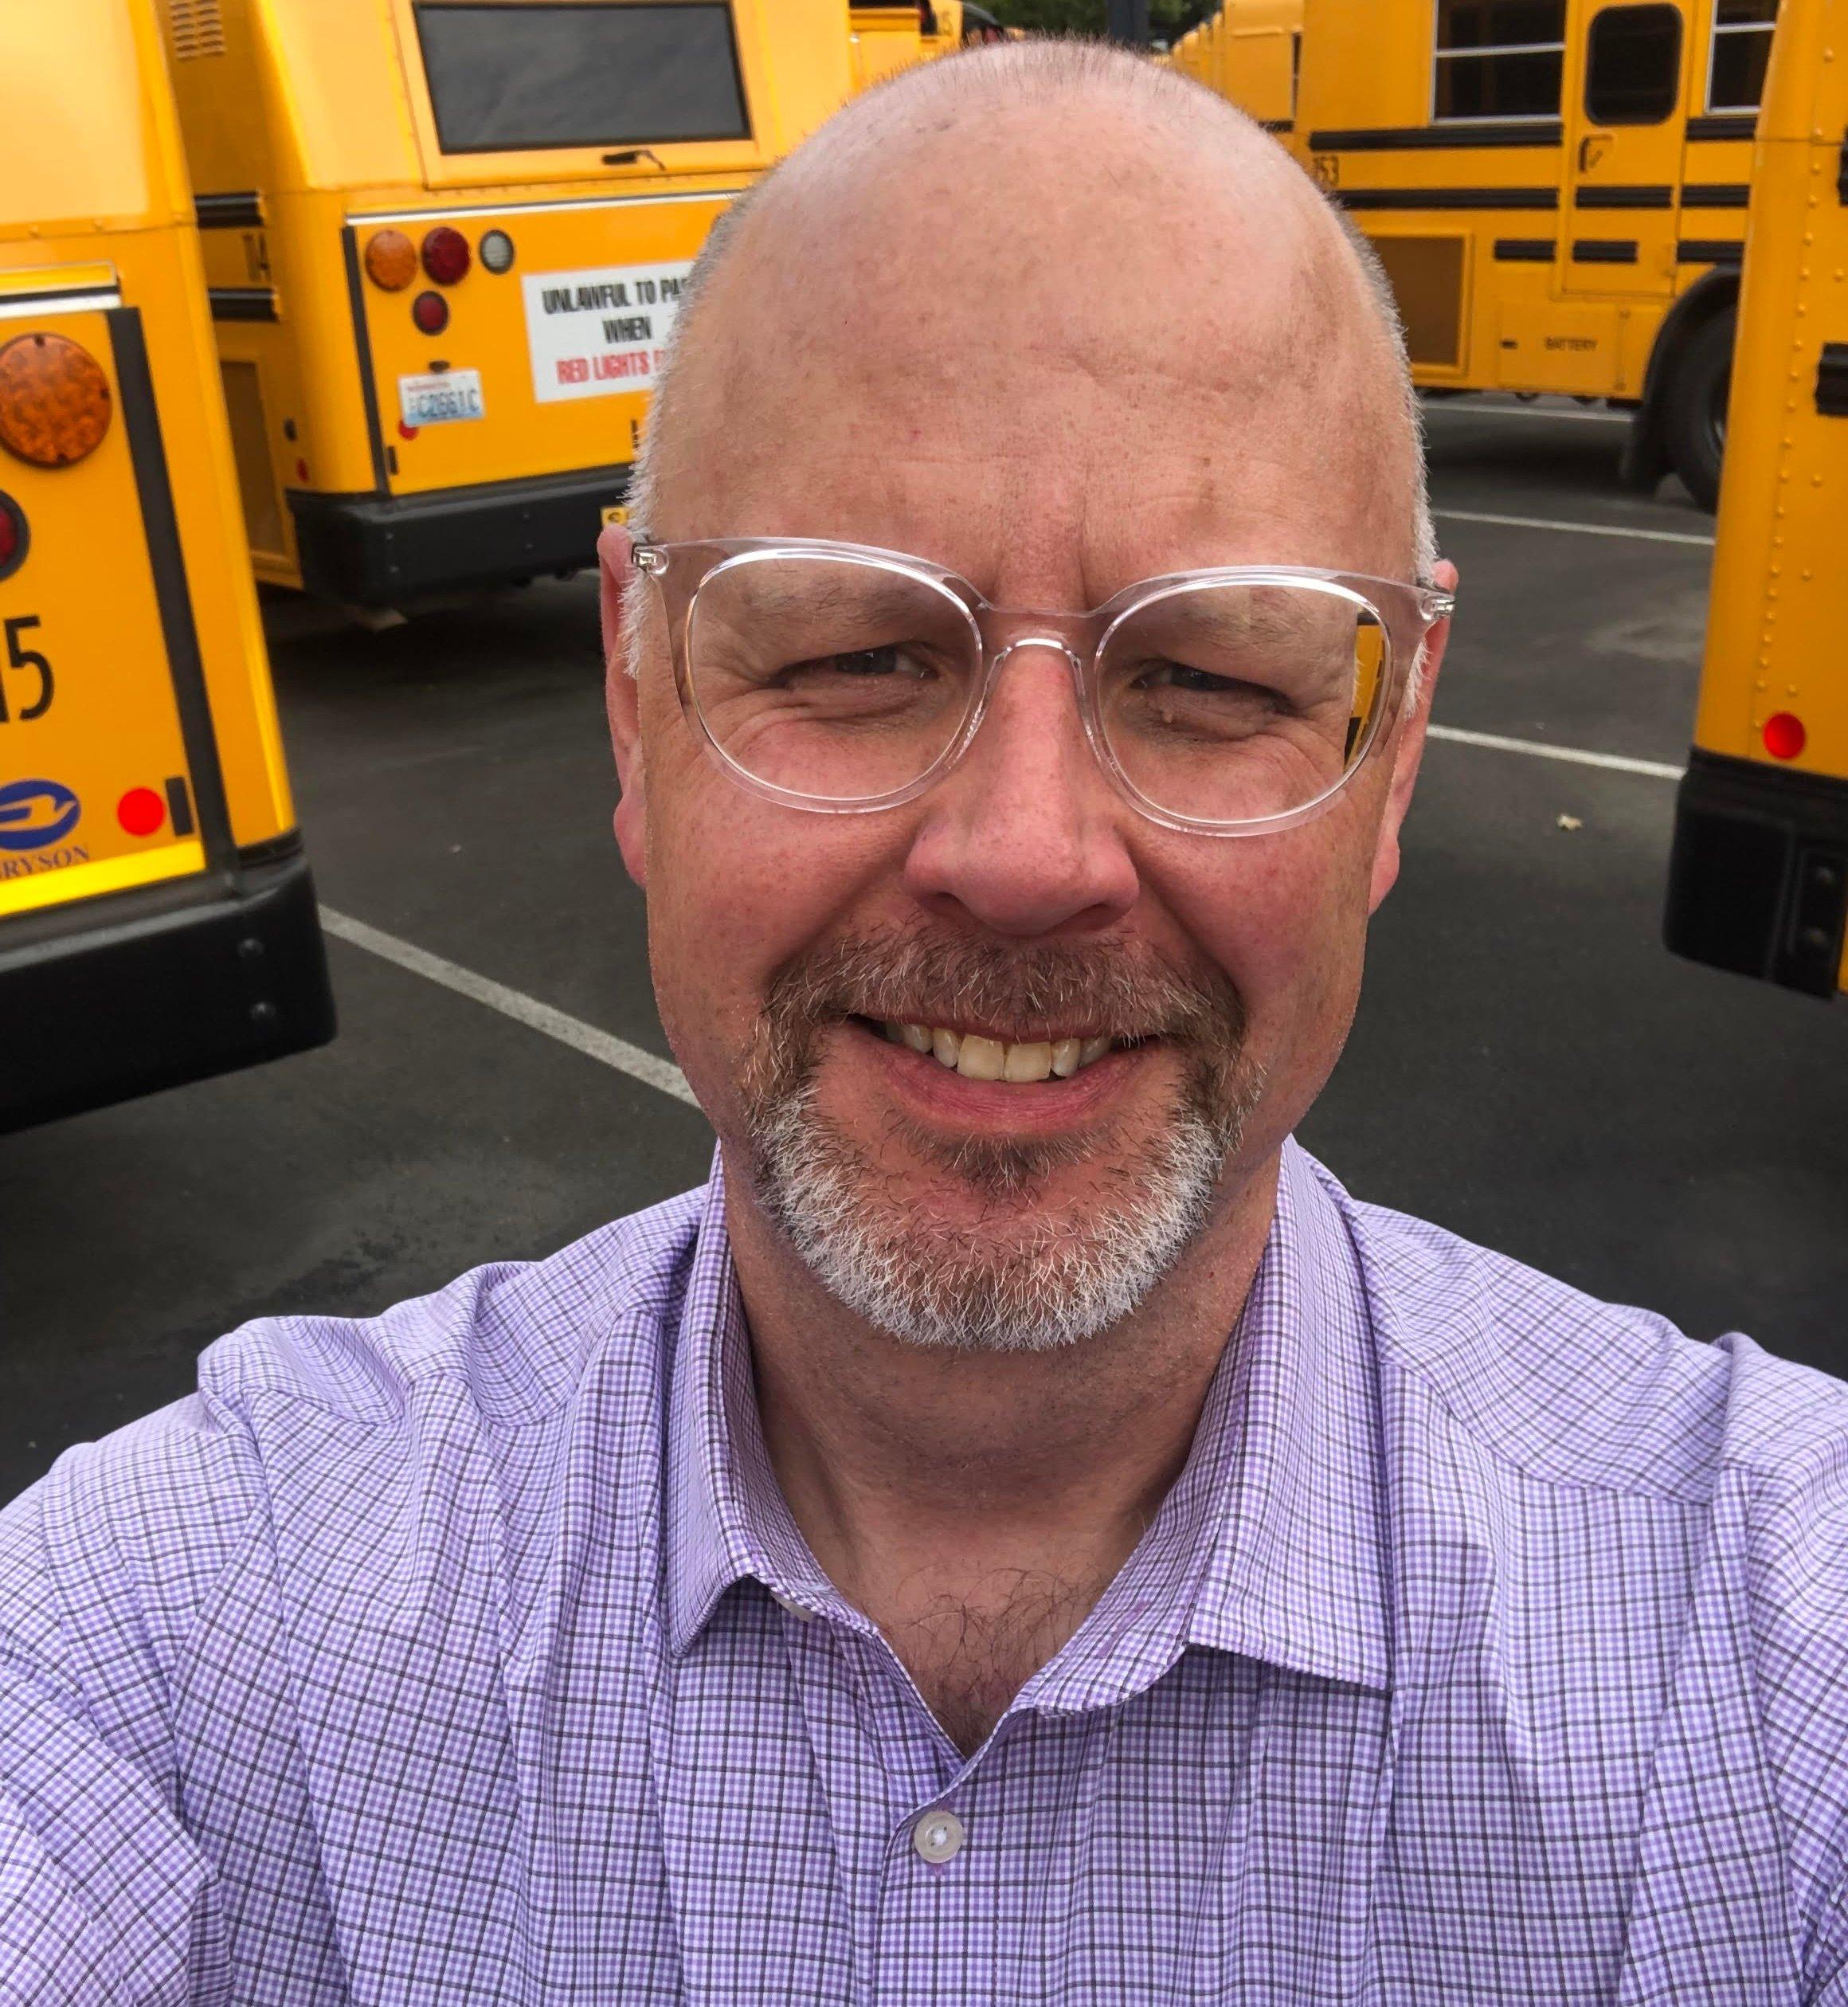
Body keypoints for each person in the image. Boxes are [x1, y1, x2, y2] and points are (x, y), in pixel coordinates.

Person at [4, 38, 1846, 2004]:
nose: (1025, 850)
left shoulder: (1775, 1663)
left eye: (1214, 675)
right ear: (636, 706)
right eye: (856, 650)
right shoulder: (196, 1628)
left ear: (1389, 755)